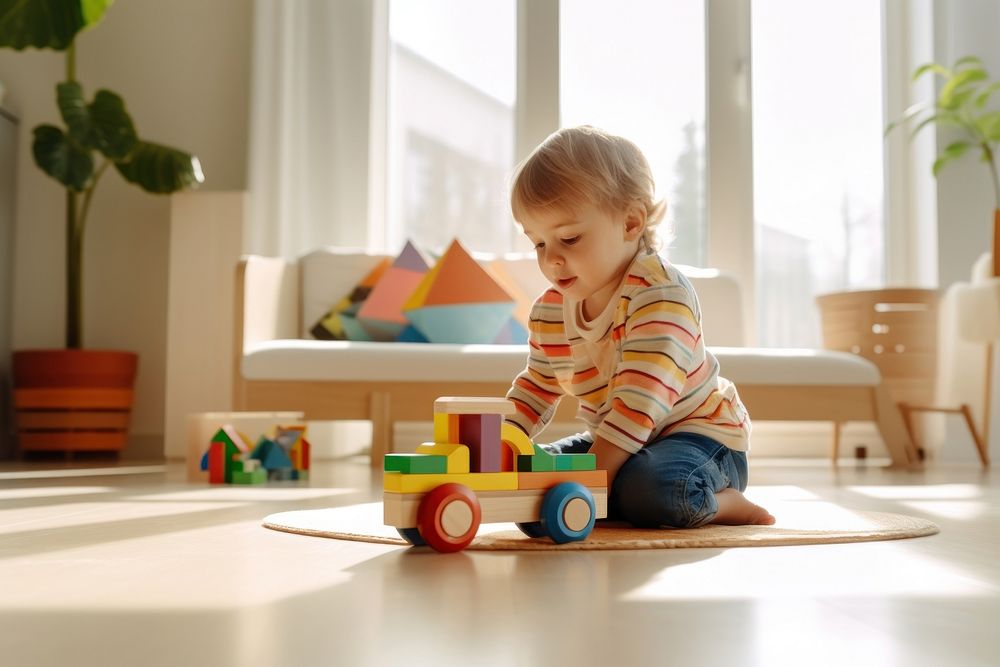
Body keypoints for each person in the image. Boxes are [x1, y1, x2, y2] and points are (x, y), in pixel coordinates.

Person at [504, 126, 775, 528]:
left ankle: (724, 503)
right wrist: (503, 441)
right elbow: (537, 385)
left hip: (700, 440)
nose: (552, 260)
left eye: (569, 238)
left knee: (657, 489)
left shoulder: (659, 294)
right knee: (528, 489)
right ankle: (614, 493)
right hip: (617, 441)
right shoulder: (550, 311)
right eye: (539, 244)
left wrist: (591, 478)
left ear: (631, 223)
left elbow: (640, 403)